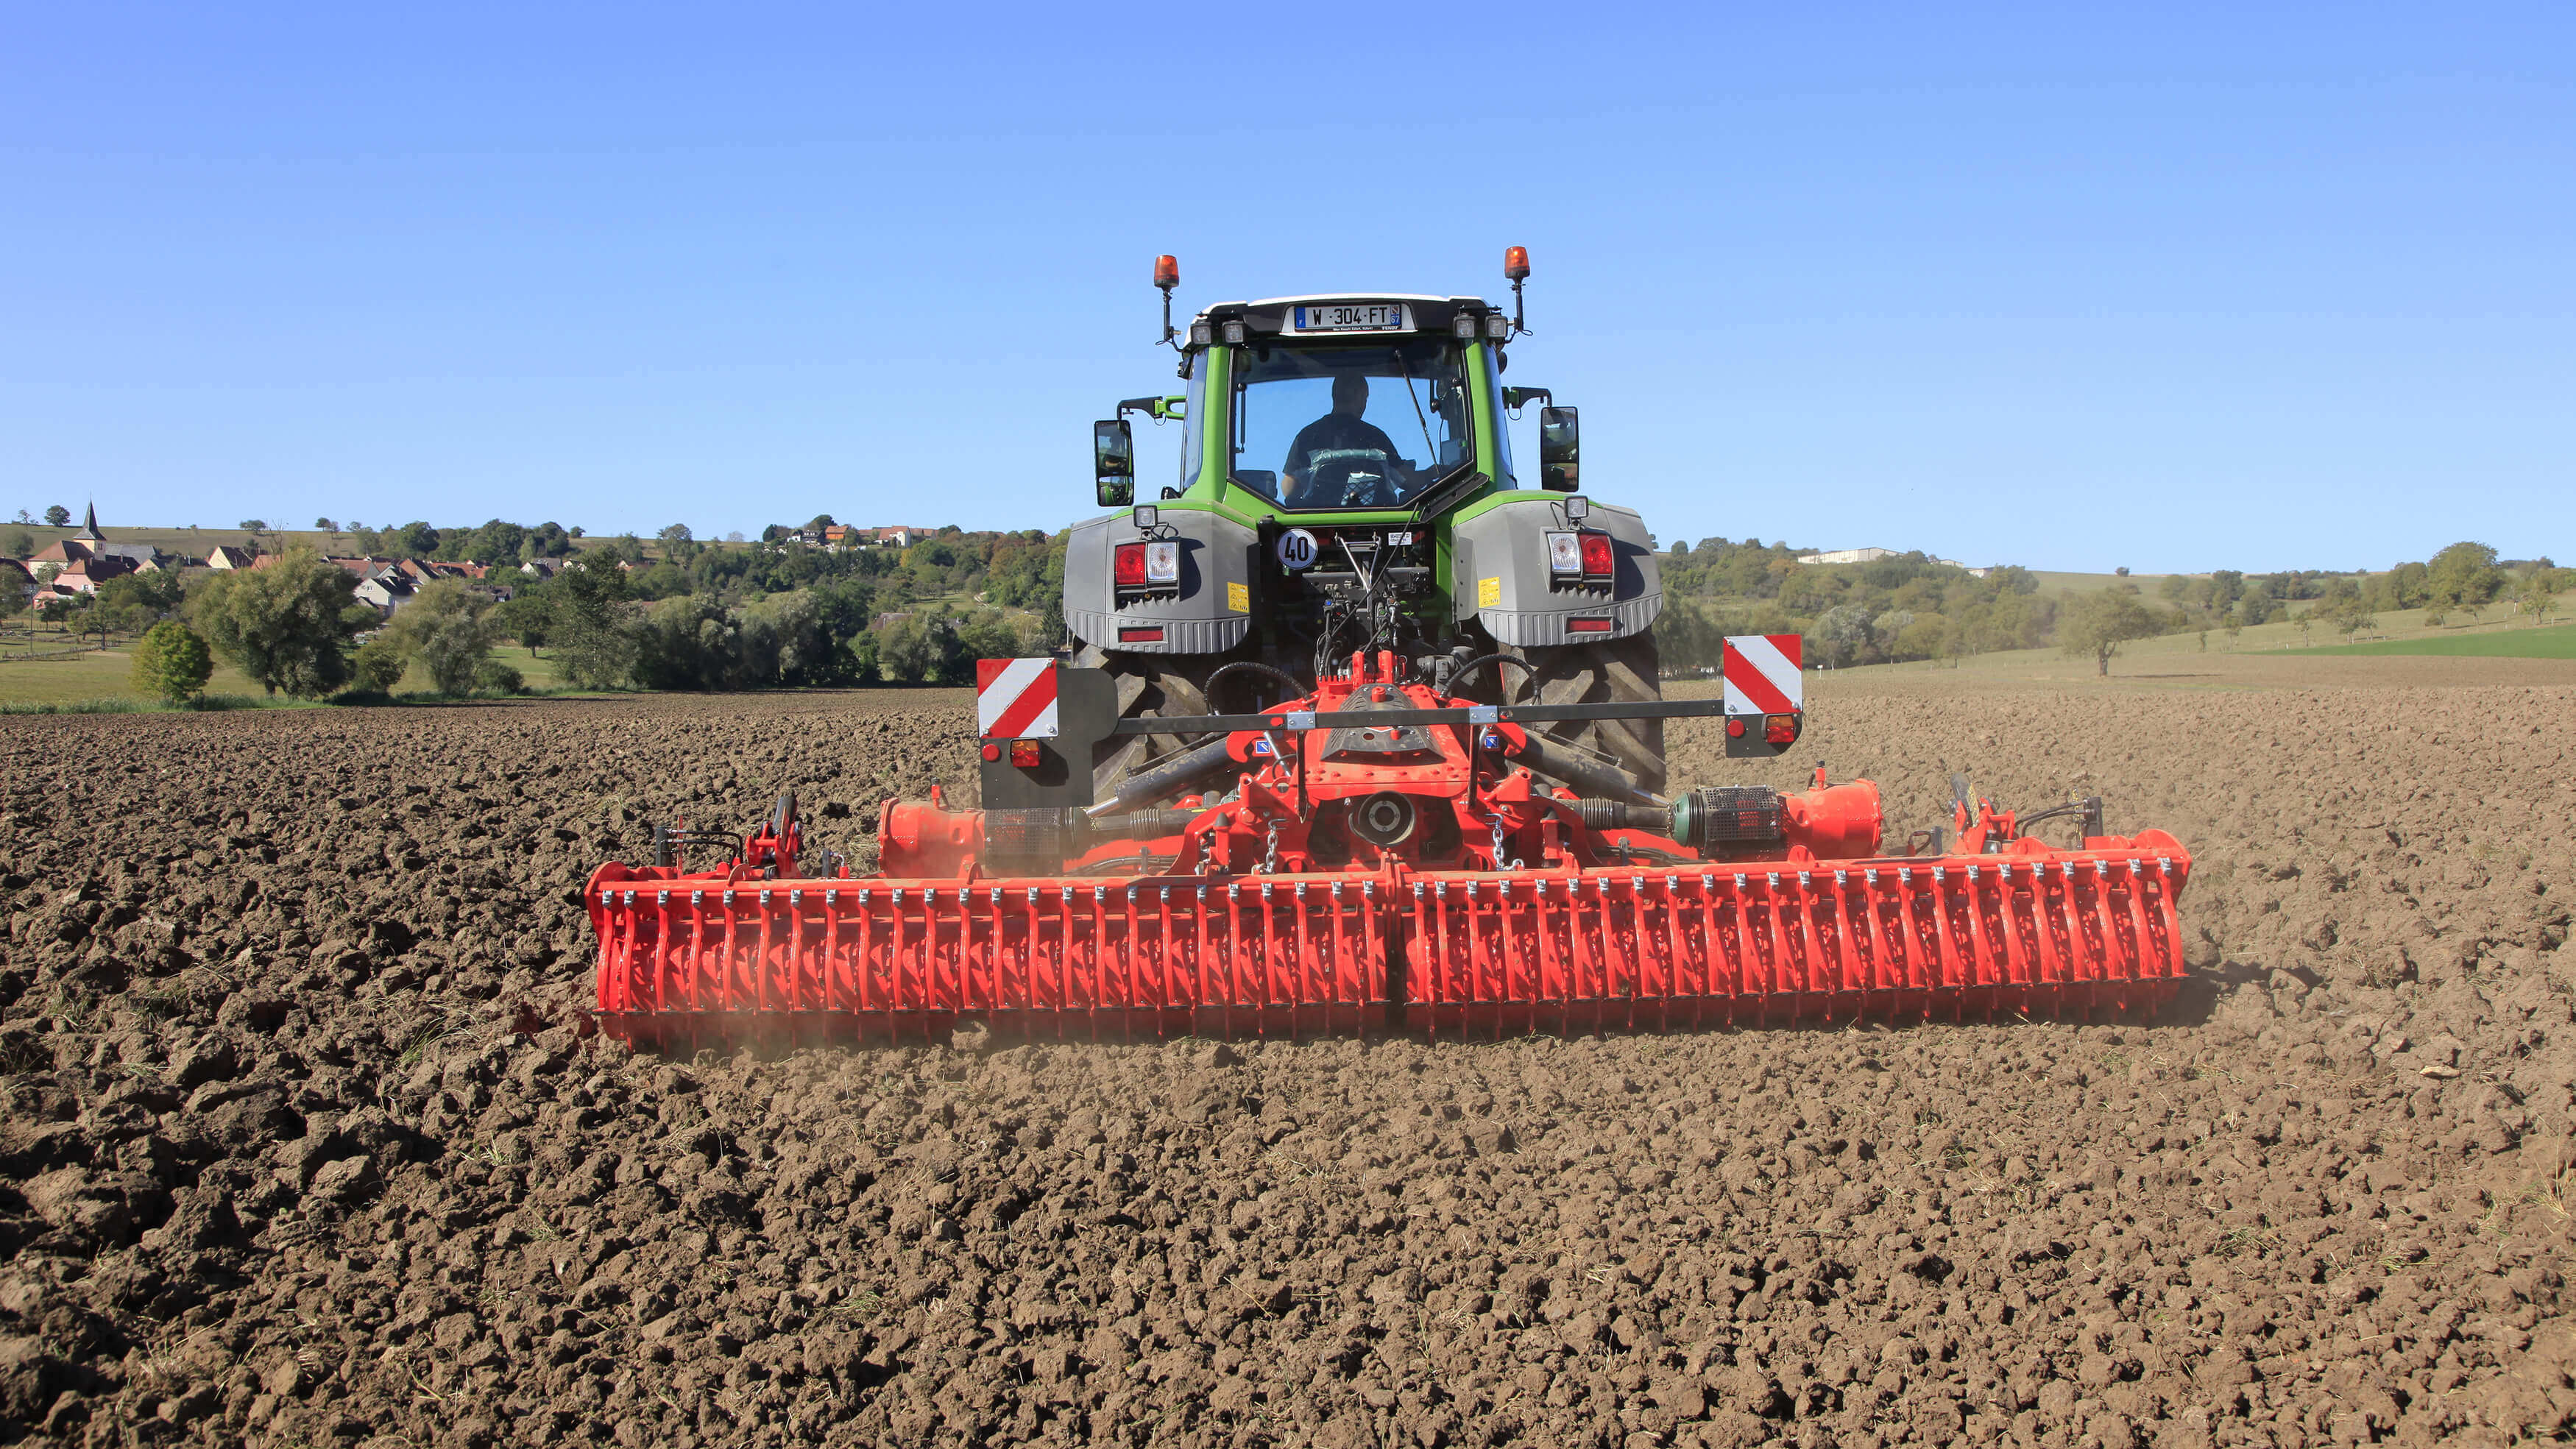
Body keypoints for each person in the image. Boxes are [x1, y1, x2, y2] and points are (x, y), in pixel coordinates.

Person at [1282, 374, 1404, 506]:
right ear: (1360, 396)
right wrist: (1429, 474)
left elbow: (1289, 489)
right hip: (1373, 522)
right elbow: (1408, 480)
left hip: (1318, 521)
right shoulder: (1376, 438)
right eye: (1366, 398)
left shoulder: (1308, 436)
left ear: (1334, 395)